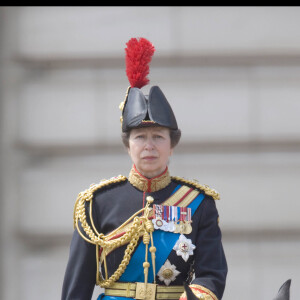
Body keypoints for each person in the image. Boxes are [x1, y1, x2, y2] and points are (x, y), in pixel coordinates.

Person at [61, 37, 227, 300]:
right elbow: (77, 286)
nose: (149, 146)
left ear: (172, 145)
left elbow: (212, 272)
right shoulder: (97, 203)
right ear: (128, 146)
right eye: (140, 137)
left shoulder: (199, 203)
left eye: (158, 137)